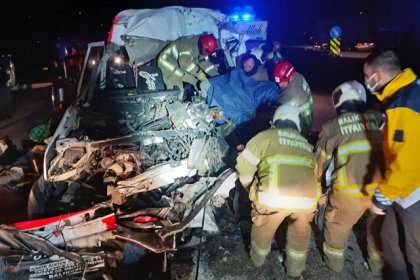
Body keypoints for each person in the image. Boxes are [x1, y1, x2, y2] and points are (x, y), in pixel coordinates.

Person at [235, 104, 319, 277]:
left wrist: (250, 188)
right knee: (300, 233)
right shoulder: (307, 145)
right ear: (297, 124)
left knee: (263, 229)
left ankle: (257, 260)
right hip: (307, 200)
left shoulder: (265, 137)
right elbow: (315, 174)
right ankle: (295, 269)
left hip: (272, 198)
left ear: (275, 121)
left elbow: (244, 167)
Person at [314, 81, 385, 275]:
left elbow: (319, 164)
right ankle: (378, 268)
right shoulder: (378, 118)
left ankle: (334, 267)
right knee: (377, 230)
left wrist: (318, 191)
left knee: (336, 227)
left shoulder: (332, 128)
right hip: (381, 190)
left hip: (348, 193)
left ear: (337, 103)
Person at [364, 50, 420, 279]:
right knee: (390, 240)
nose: (366, 81)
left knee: (416, 254)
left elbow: (407, 163)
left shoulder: (405, 104)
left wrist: (381, 197)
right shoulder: (404, 94)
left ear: (377, 76)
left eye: (366, 76)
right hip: (403, 192)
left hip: (414, 193)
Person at [273, 61, 313, 137]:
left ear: (290, 77)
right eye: (278, 82)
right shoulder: (297, 75)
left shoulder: (289, 95)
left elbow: (278, 112)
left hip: (302, 121)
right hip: (307, 111)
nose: (280, 85)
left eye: (282, 82)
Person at [0, 54, 14, 119]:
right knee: (2, 101)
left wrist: (10, 82)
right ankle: (3, 114)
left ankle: (8, 113)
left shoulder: (5, 63)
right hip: (3, 84)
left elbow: (10, 72)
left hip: (4, 84)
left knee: (7, 100)